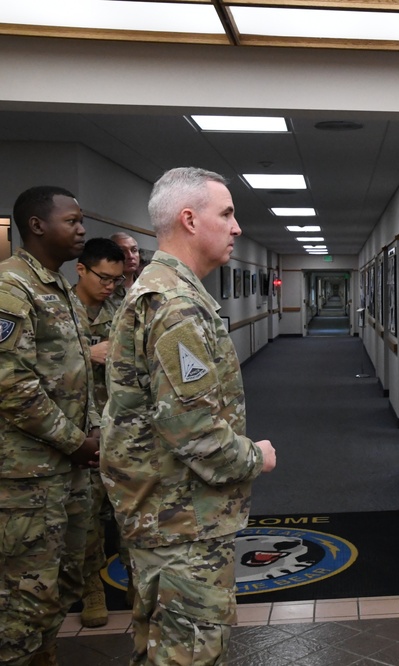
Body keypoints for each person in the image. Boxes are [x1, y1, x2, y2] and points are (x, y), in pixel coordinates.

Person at [102, 167, 277, 665]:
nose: (237, 227)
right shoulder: (176, 305)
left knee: (161, 648)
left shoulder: (166, 292)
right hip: (181, 522)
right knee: (187, 654)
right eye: (226, 213)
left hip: (164, 513)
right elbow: (194, 431)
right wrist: (254, 458)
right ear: (189, 220)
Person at [0, 185, 101, 665]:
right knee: (24, 601)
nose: (81, 229)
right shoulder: (11, 288)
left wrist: (94, 430)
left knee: (61, 588)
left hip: (70, 471)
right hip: (27, 479)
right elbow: (11, 386)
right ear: (37, 225)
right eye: (72, 221)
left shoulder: (62, 290)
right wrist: (76, 441)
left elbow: (78, 373)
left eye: (82, 221)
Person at [71, 237, 127, 628]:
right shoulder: (59, 310)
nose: (109, 286)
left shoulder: (121, 310)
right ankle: (92, 587)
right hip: (78, 432)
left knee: (127, 511)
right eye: (103, 278)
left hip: (121, 426)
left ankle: (137, 581)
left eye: (116, 279)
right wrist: (84, 354)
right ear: (81, 270)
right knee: (88, 516)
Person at [109, 231, 141, 307]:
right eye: (123, 251)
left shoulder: (147, 288)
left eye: (134, 250)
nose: (130, 256)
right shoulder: (105, 290)